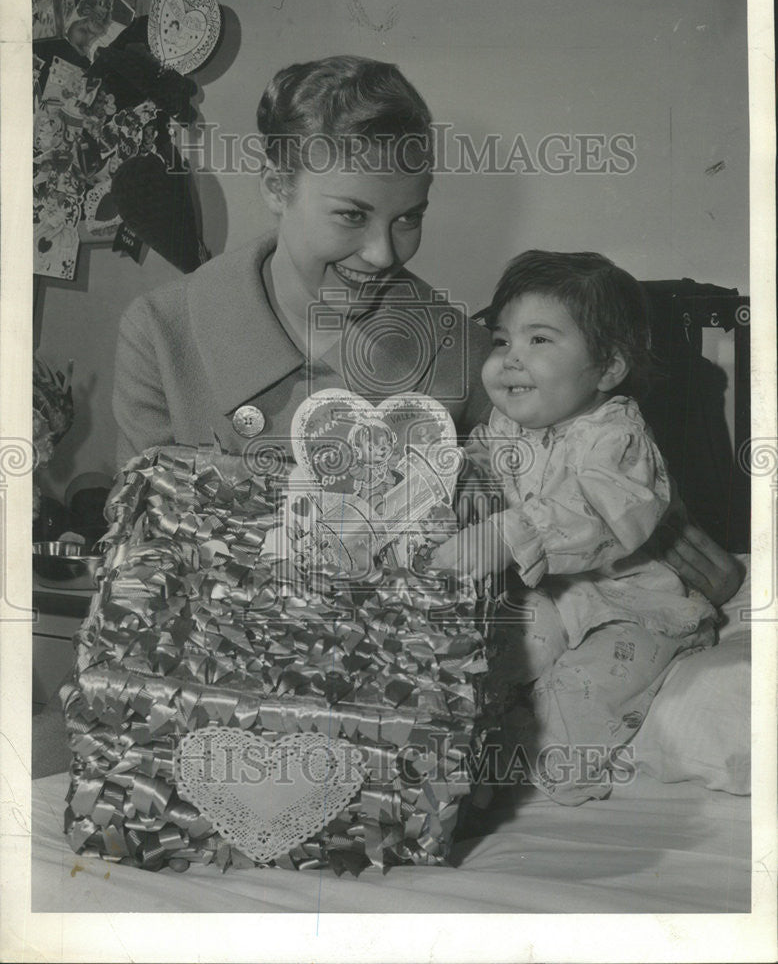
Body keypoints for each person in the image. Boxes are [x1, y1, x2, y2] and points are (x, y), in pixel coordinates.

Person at [112, 54, 742, 604]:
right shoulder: (163, 332)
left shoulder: (462, 349)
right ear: (278, 187)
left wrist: (663, 531)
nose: (385, 254)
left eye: (408, 219)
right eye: (351, 215)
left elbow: (576, 460)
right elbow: (142, 544)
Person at [432, 251, 722, 805]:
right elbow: (481, 470)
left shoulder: (617, 438)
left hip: (632, 601)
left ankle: (537, 763)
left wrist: (507, 535)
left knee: (581, 695)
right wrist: (453, 485)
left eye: (539, 341)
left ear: (608, 367)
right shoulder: (503, 425)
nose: (511, 359)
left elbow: (604, 512)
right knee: (493, 653)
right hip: (551, 592)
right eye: (501, 341)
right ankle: (468, 750)